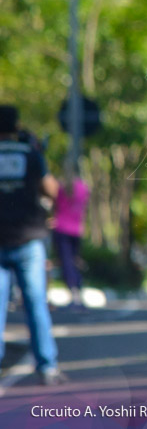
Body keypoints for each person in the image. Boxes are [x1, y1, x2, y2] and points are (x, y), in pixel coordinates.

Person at [0, 105, 65, 385]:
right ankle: (47, 366)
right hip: (28, 239)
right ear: (17, 126)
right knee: (36, 303)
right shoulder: (30, 154)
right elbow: (53, 190)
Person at [52, 168, 90, 310]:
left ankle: (74, 294)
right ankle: (78, 292)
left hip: (61, 229)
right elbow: (85, 208)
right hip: (77, 230)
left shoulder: (60, 188)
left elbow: (54, 205)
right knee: (74, 261)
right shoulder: (84, 188)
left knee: (66, 262)